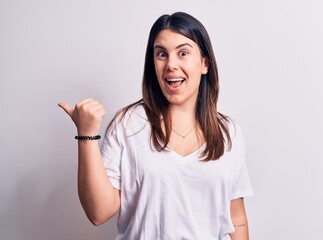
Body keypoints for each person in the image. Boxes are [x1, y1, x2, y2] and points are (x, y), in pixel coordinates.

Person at [59, 12, 253, 240]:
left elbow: (236, 217)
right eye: (162, 54)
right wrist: (87, 135)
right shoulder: (128, 124)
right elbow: (98, 212)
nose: (171, 64)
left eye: (183, 53)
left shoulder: (228, 132)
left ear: (204, 63)